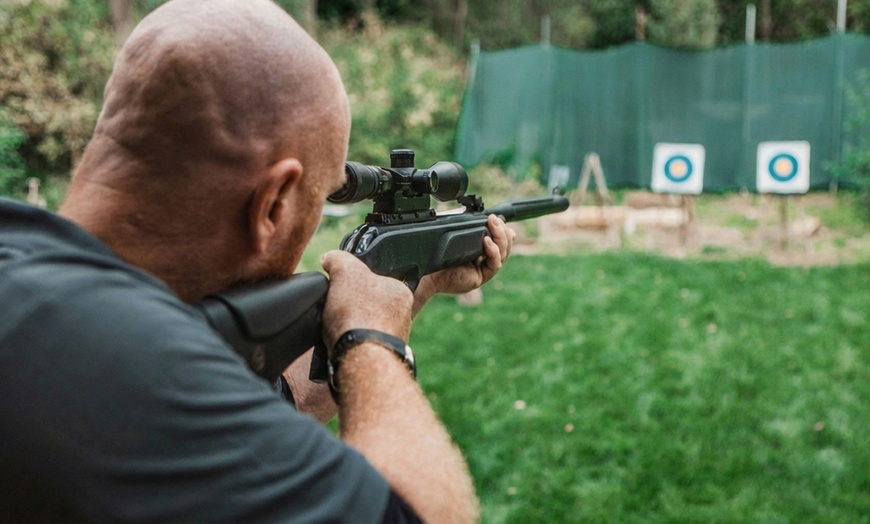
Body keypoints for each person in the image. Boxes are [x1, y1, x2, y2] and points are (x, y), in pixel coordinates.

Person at [0, 0, 515, 521]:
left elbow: (271, 405)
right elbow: (422, 513)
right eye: (315, 205)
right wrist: (375, 343)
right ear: (273, 204)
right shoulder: (136, 370)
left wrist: (410, 287)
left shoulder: (51, 301)